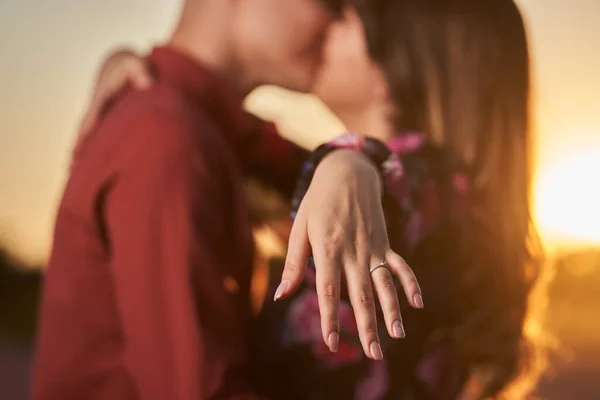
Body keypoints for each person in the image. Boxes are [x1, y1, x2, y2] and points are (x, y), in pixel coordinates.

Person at [76, 0, 550, 398]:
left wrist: (350, 164)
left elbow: (390, 174)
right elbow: (267, 152)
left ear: (401, 64)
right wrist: (136, 66)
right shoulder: (435, 200)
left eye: (348, 16)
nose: (329, 21)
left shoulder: (412, 187)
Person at [32, 1, 425, 399]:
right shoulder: (164, 137)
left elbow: (299, 168)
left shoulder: (198, 124)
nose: (340, 22)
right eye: (330, 3)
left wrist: (349, 161)